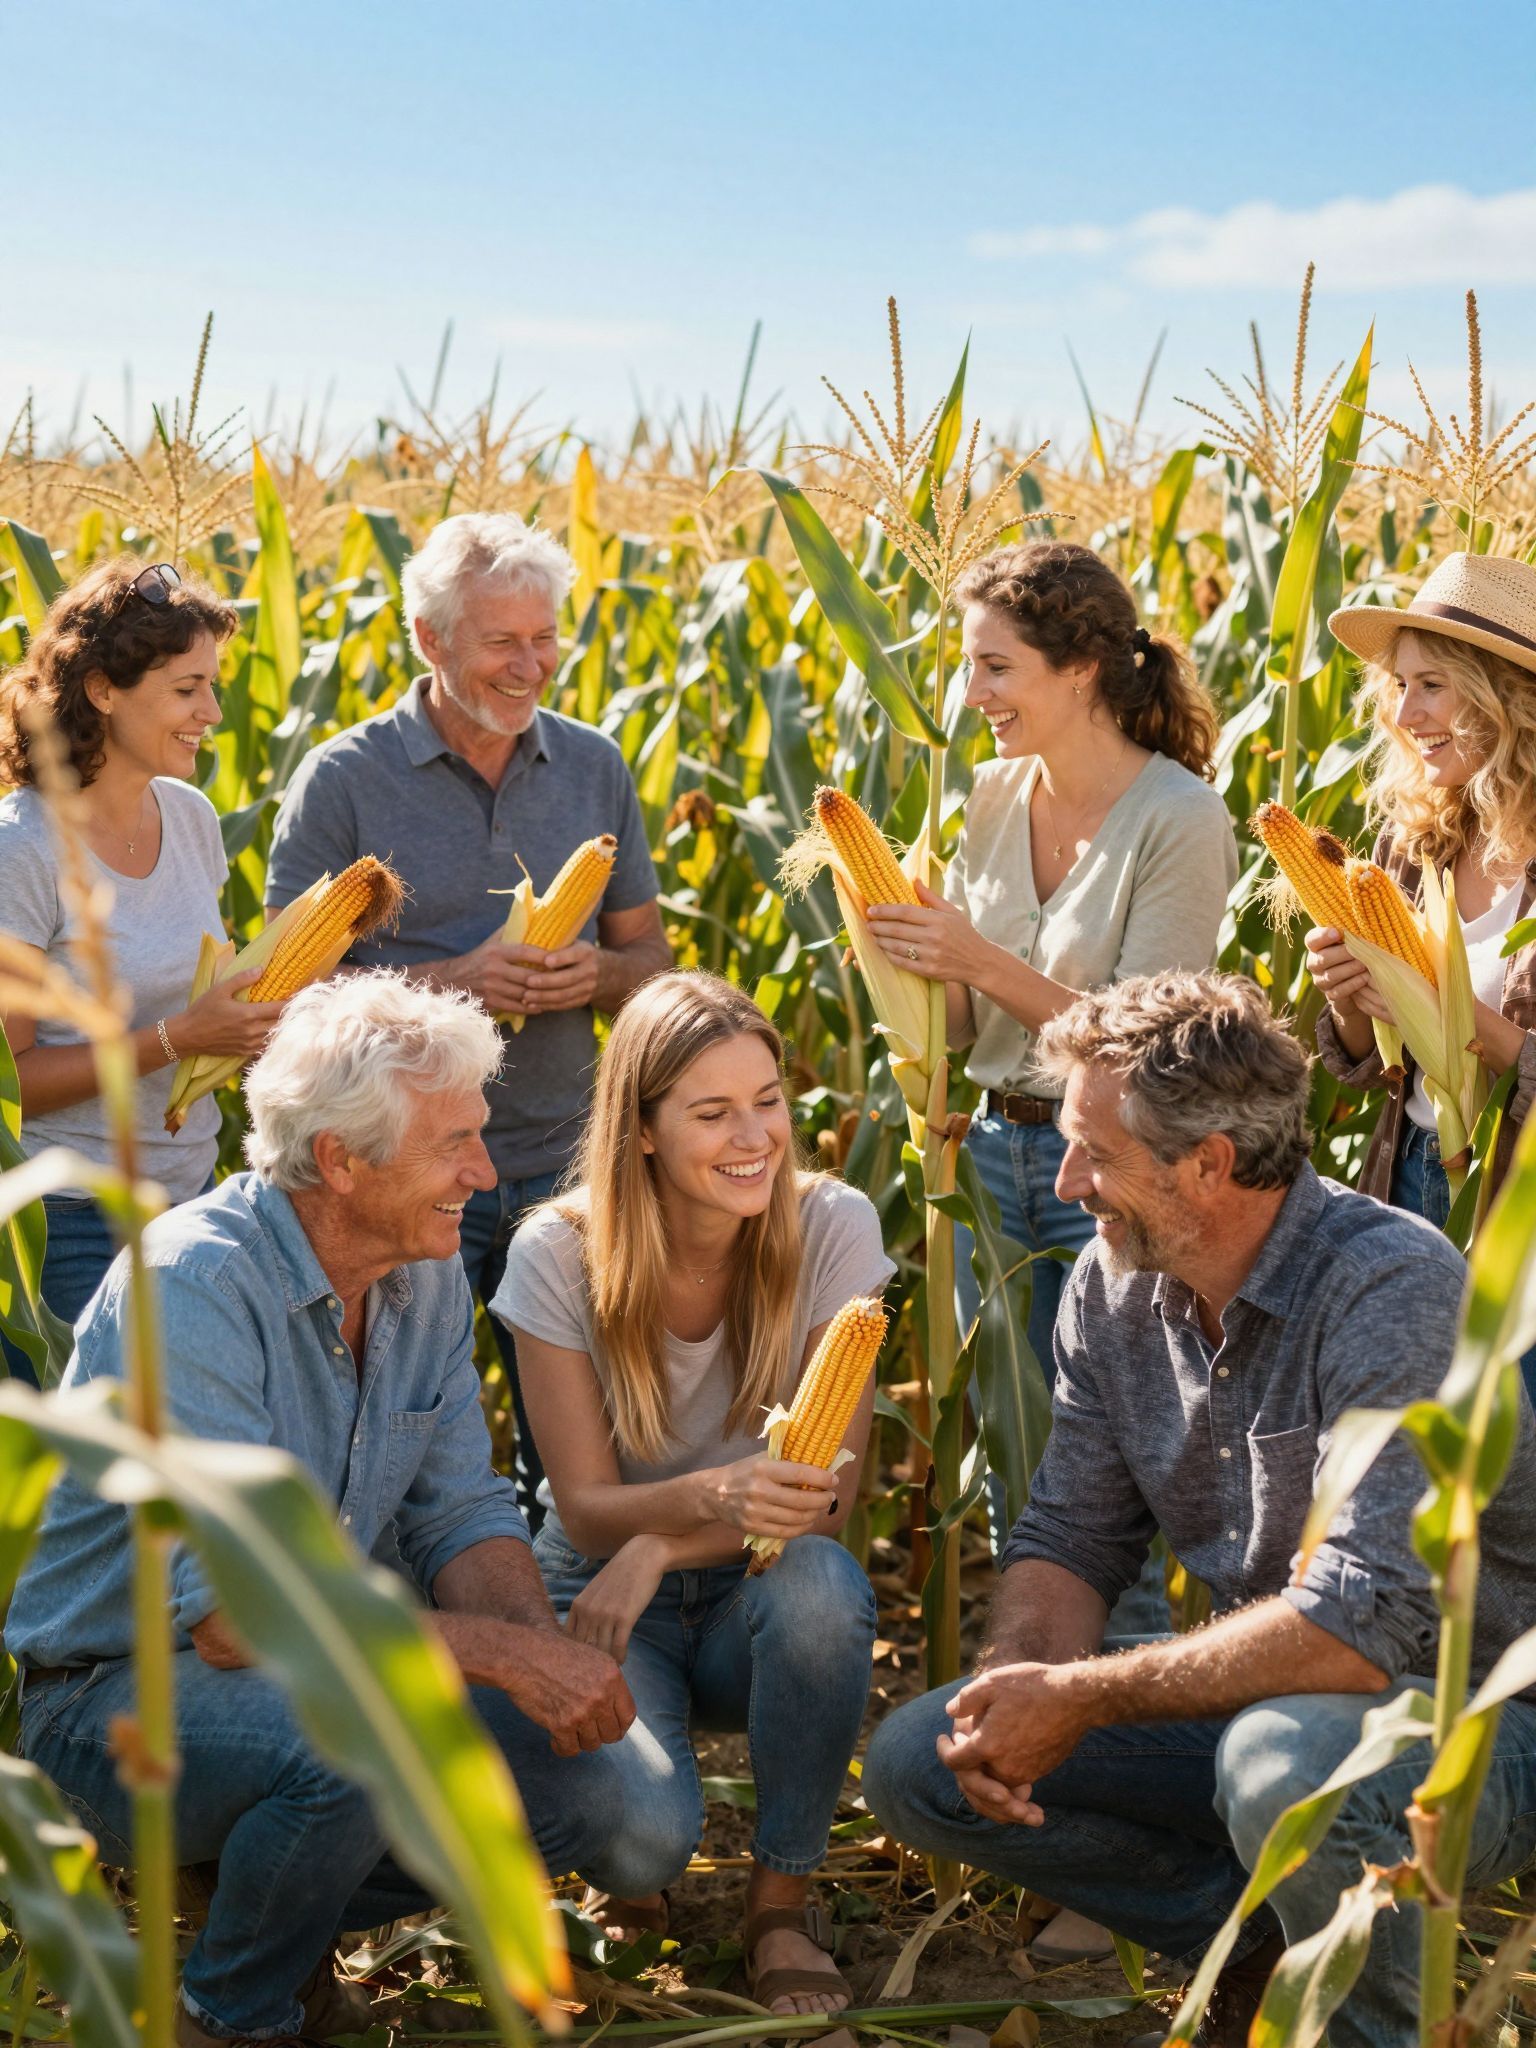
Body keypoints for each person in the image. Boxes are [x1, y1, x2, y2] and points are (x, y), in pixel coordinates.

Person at [862, 970, 1536, 2048]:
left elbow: (1363, 1630)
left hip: (1473, 1719)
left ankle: (1370, 2028)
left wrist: (1079, 1699)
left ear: (1210, 1164)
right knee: (919, 1761)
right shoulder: (1112, 1281)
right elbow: (1071, 1534)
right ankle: (1262, 1953)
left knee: (1282, 1765)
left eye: (1096, 1150)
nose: (1068, 1178)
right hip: (1271, 1700)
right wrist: (1017, 1687)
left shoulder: (1389, 1286)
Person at [7, 973, 639, 2048]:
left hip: (293, 1684)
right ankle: (229, 2013)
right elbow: (233, 1619)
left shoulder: (420, 1267)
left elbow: (459, 1510)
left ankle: (260, 1905)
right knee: (362, 1740)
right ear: (341, 1161)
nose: (483, 1175)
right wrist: (503, 1656)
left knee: (594, 1791)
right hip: (111, 1700)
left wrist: (541, 1661)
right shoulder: (193, 1286)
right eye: (454, 1145)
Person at [494, 971, 892, 2016]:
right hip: (600, 1590)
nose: (753, 1134)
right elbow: (581, 1507)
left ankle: (780, 1898)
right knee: (642, 1839)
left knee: (822, 1585)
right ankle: (635, 1866)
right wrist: (696, 1509)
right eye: (712, 1112)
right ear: (641, 1131)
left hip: (751, 1582)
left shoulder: (833, 1227)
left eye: (768, 1099)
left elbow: (821, 1500)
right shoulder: (558, 1250)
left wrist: (665, 1540)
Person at [267, 512, 671, 1522]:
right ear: (429, 639)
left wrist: (594, 976)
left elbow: (651, 961)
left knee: (577, 1462)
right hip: (397, 1174)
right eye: (502, 641)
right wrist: (459, 982)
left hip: (563, 1165)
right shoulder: (343, 780)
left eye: (545, 638)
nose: (529, 665)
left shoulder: (593, 767)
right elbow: (281, 995)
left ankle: (578, 1661)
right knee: (393, 1459)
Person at [864, 539, 1237, 1381]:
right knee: (1007, 1429)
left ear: (1080, 670)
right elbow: (964, 1032)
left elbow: (1144, 1046)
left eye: (995, 667)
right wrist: (901, 958)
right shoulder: (992, 795)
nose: (971, 696)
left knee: (1114, 1440)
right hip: (987, 1154)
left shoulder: (1180, 818)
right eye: (969, 667)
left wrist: (978, 957)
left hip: (1117, 1169)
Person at [0, 559, 282, 1380]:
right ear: (102, 692)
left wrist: (252, 1028)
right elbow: (11, 1084)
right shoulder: (21, 850)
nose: (214, 713)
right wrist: (178, 1036)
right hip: (67, 1226)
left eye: (214, 686)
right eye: (189, 688)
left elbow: (205, 993)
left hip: (189, 1197)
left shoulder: (192, 818)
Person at [1308, 551, 1536, 1241]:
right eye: (1400, 684)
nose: (1406, 712)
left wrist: (1463, 1020)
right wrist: (1348, 996)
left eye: (1431, 684)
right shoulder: (1410, 843)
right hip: (1407, 1176)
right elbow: (1373, 1065)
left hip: (1518, 1206)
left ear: (1509, 697)